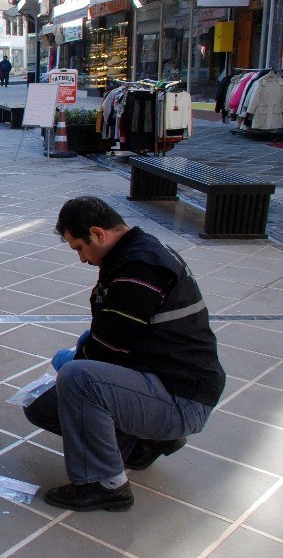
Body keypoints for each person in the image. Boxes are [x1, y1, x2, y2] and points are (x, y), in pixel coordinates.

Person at [24, 197, 225, 512]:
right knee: (47, 403)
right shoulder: (134, 252)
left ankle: (105, 484)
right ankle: (148, 441)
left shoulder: (139, 268)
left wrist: (72, 371)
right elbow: (107, 336)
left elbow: (106, 352)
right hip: (160, 379)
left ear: (98, 234)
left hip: (182, 398)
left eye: (79, 247)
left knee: (77, 378)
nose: (81, 259)